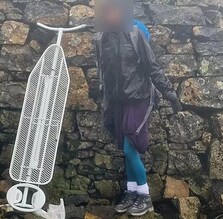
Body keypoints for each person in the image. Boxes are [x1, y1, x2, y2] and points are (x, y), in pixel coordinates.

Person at [95, 3, 182, 217]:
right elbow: (103, 71)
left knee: (129, 146)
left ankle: (144, 196)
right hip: (117, 101)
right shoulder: (101, 37)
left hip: (138, 98)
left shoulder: (135, 34)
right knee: (125, 147)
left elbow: (152, 67)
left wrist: (170, 94)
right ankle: (131, 191)